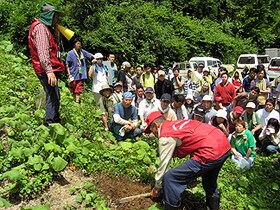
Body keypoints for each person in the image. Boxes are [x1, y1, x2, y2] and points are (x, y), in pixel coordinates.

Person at [144, 111, 231, 210]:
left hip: (210, 151)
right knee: (209, 180)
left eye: (151, 130)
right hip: (223, 144)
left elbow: (164, 166)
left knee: (170, 178)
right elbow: (197, 141)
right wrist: (190, 177)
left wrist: (157, 188)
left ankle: (171, 207)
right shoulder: (176, 124)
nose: (153, 134)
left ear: (156, 125)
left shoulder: (166, 135)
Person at [28, 2, 65, 126]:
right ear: (50, 16)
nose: (57, 19)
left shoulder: (46, 28)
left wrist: (56, 35)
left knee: (55, 95)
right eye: (56, 16)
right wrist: (49, 71)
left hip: (47, 68)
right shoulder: (41, 28)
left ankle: (54, 121)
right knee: (52, 97)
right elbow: (43, 53)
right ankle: (50, 124)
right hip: (45, 69)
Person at [66, 37, 94, 103]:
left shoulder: (82, 52)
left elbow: (90, 55)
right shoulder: (70, 53)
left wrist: (96, 58)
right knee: (72, 89)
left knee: (79, 89)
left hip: (81, 74)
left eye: (80, 44)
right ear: (74, 44)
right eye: (78, 43)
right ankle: (73, 101)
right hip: (73, 74)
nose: (79, 45)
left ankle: (77, 102)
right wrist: (69, 74)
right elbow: (67, 65)